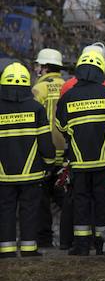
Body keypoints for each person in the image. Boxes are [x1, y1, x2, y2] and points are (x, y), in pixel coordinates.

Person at [55, 48, 105, 255]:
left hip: (79, 162)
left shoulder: (68, 97)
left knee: (81, 201)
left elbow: (61, 126)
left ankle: (82, 246)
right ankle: (103, 245)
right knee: (103, 201)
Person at [0, 62, 54, 258]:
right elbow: (45, 142)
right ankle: (29, 249)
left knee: (5, 211)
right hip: (31, 173)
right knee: (29, 210)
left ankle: (5, 250)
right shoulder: (36, 108)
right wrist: (49, 163)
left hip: (3, 176)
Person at [31, 48, 66, 248]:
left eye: (38, 65)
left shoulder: (38, 89)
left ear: (44, 67)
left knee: (42, 198)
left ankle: (44, 240)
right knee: (65, 197)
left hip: (45, 152)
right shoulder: (66, 86)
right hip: (66, 150)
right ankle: (69, 238)